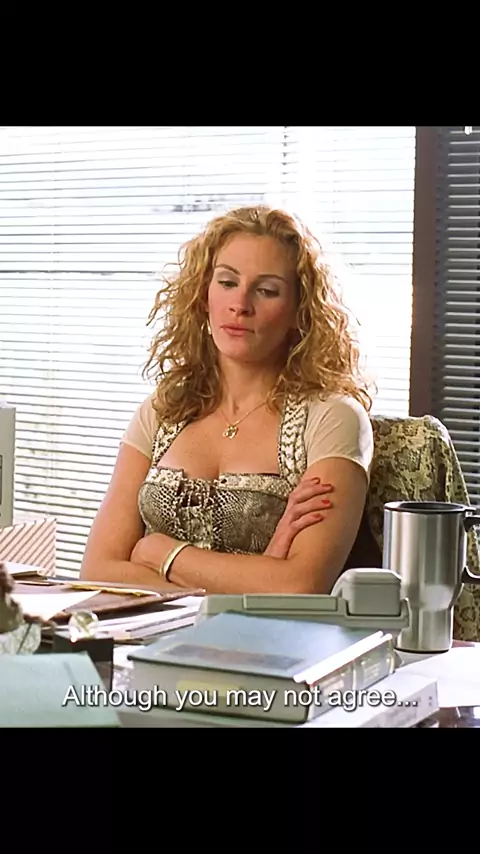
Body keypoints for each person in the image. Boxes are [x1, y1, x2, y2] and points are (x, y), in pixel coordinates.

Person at [80, 205, 375, 594]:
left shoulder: (332, 419)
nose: (240, 305)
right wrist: (256, 576)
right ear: (203, 294)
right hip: (150, 634)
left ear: (300, 311)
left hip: (270, 635)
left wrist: (161, 554)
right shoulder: (163, 410)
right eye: (227, 282)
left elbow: (297, 587)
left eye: (267, 290)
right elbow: (98, 570)